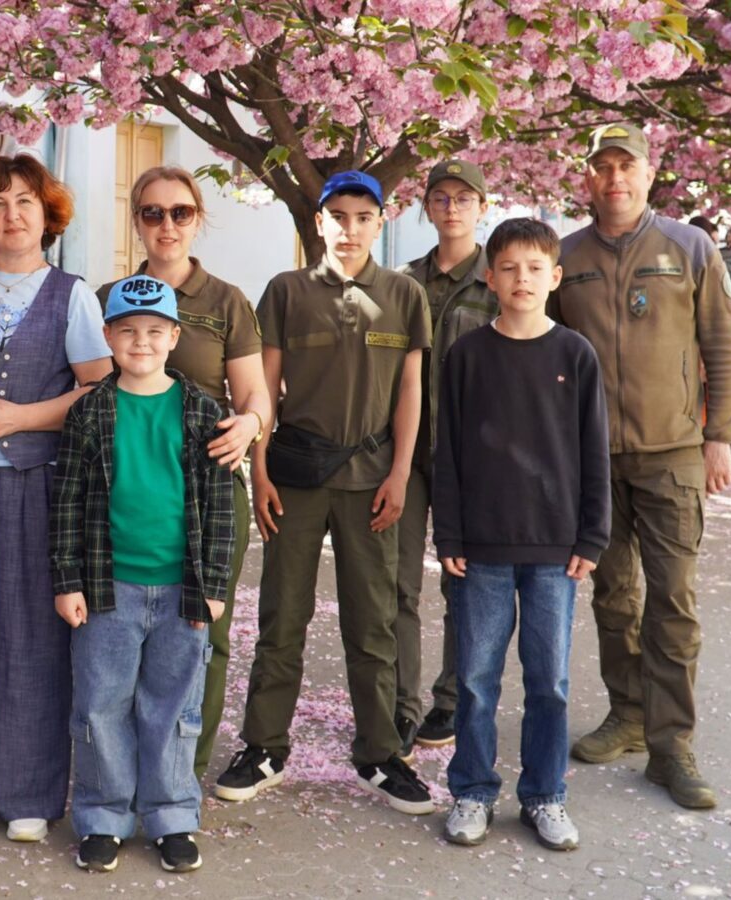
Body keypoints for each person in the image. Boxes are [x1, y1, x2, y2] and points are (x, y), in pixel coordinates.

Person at [215, 170, 436, 815]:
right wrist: (258, 470)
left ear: (381, 222)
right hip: (297, 477)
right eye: (337, 215)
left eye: (363, 217)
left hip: (372, 481)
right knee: (283, 617)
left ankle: (379, 752)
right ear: (318, 222)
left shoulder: (404, 295)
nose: (349, 227)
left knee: (374, 622)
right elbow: (263, 389)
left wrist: (400, 472)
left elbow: (410, 392)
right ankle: (264, 745)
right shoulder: (286, 291)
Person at [548, 122, 731, 811]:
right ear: (587, 177)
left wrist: (718, 436)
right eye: (600, 167)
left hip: (673, 455)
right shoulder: (564, 256)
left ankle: (671, 746)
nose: (613, 179)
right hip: (593, 461)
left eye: (624, 165)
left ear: (648, 172)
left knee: (674, 603)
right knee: (615, 597)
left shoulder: (688, 247)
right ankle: (627, 713)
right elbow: (543, 355)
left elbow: (723, 342)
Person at [0, 153, 114, 843]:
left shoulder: (71, 294)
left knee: (30, 634)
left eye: (25, 203)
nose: (12, 214)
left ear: (48, 216)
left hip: (34, 479)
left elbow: (99, 390)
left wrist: (24, 416)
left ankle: (30, 791)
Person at [50, 277, 237, 875]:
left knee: (173, 707)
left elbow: (221, 507)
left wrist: (213, 587)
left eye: (155, 331)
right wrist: (67, 581)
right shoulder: (91, 411)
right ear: (107, 336)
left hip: (182, 590)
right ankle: (104, 816)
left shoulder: (204, 413)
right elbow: (68, 503)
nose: (141, 341)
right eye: (127, 331)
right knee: (102, 705)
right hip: (109, 589)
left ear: (175, 336)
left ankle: (171, 815)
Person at [436, 217, 610, 850]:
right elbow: (447, 452)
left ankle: (544, 795)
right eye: (508, 267)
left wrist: (591, 537)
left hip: (554, 551)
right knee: (477, 680)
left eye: (536, 268)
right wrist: (448, 536)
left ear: (554, 277)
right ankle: (473, 791)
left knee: (550, 682)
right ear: (490, 277)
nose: (522, 279)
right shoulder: (467, 356)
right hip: (479, 549)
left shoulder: (574, 354)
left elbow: (595, 451)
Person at [96, 167, 273, 781]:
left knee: (206, 632)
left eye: (179, 212)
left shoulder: (226, 302)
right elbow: (90, 394)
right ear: (137, 220)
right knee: (119, 637)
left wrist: (251, 425)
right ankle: (121, 769)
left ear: (197, 217)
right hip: (131, 491)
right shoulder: (112, 298)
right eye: (151, 212)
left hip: (207, 488)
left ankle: (181, 772)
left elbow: (255, 397)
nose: (165, 224)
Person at [393, 159, 499, 754]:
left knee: (463, 585)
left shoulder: (501, 278)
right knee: (398, 584)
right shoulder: (403, 282)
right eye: (441, 197)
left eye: (464, 197)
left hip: (474, 459)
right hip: (408, 455)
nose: (453, 207)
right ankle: (402, 707)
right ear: (427, 207)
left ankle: (453, 701)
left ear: (482, 207)